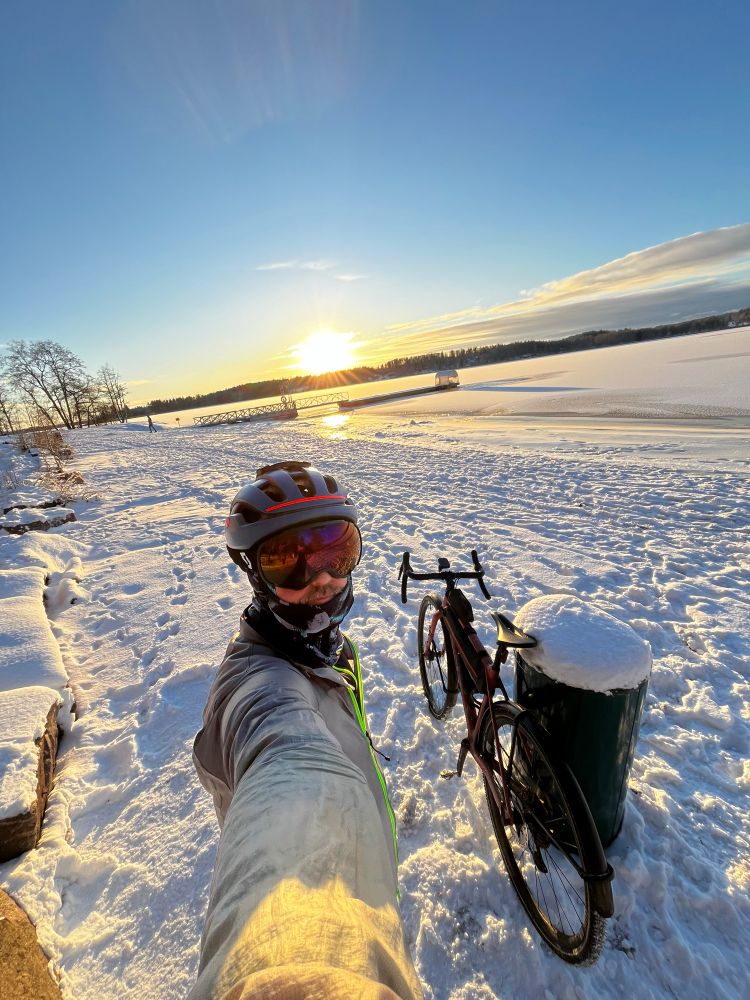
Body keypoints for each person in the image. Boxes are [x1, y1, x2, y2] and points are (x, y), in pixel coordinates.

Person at [190, 461, 423, 1000]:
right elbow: (291, 767)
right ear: (253, 573)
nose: (320, 579)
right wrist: (295, 958)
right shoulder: (258, 682)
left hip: (364, 881)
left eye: (336, 553)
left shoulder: (325, 647)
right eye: (286, 563)